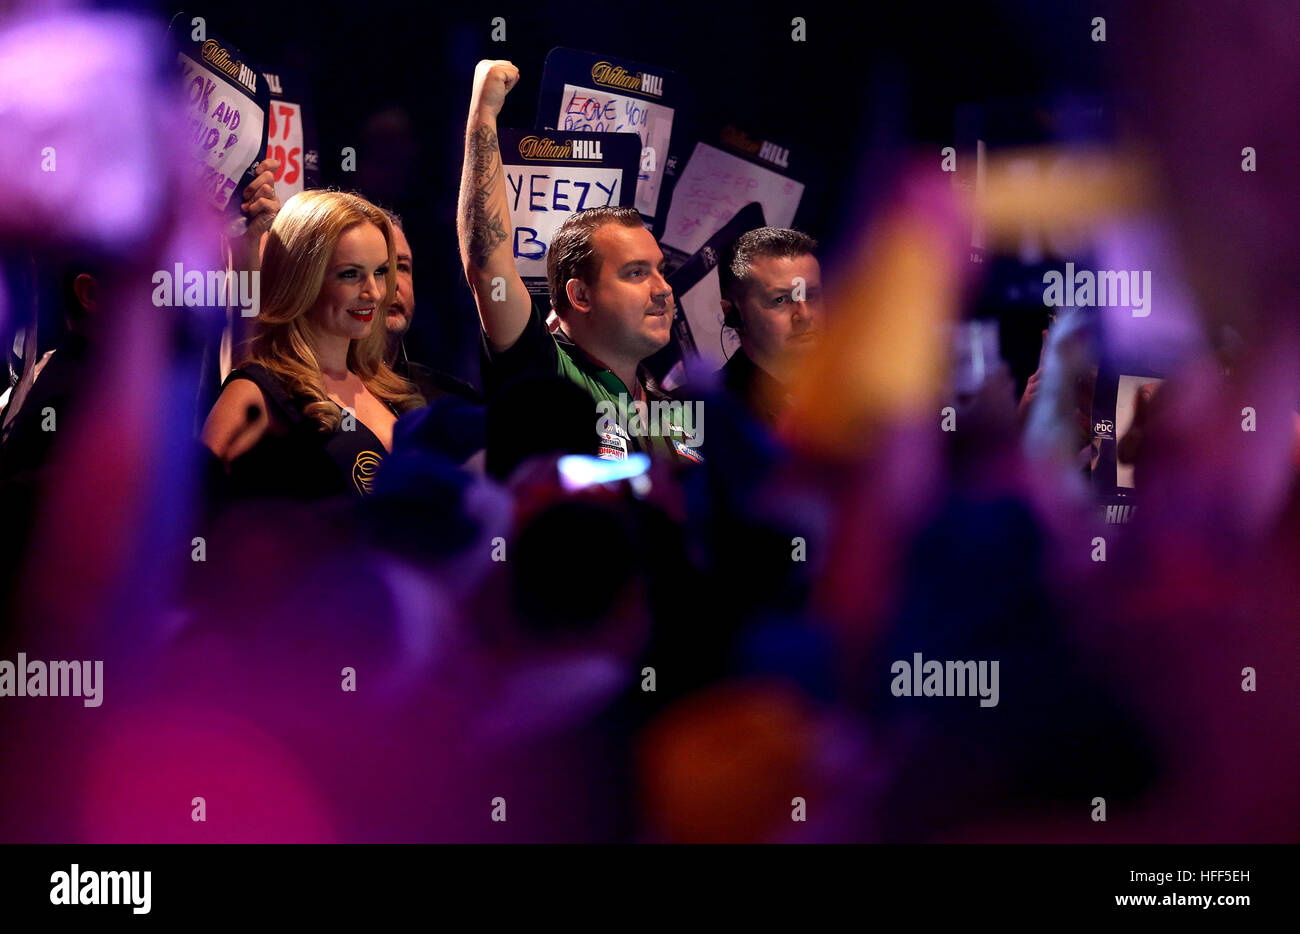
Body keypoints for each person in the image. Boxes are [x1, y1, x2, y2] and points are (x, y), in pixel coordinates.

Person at [456, 59, 701, 464]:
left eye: (661, 270)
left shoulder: (673, 410)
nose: (663, 289)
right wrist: (483, 115)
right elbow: (487, 264)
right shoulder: (544, 372)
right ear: (581, 294)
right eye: (636, 273)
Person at [201, 190, 423, 499]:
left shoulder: (387, 387)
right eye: (350, 274)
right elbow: (201, 512)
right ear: (303, 279)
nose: (374, 292)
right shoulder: (258, 390)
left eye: (380, 272)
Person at [717, 227, 825, 427]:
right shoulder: (693, 414)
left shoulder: (861, 394)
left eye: (810, 295)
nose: (805, 315)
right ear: (732, 314)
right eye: (781, 299)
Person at [378, 208, 482, 405]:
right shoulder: (316, 401)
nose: (394, 283)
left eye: (401, 267)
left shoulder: (454, 400)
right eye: (380, 269)